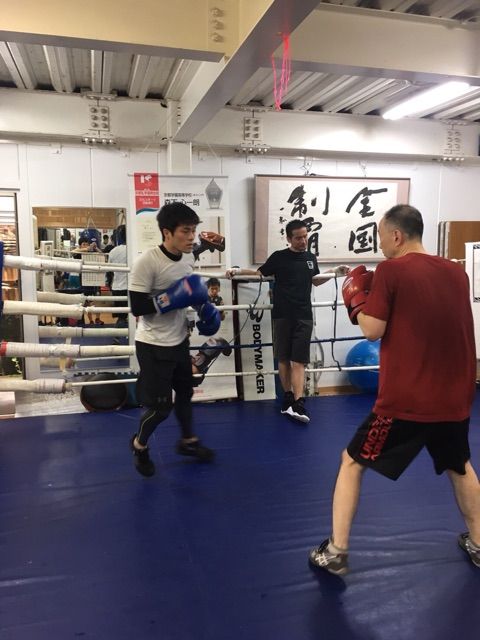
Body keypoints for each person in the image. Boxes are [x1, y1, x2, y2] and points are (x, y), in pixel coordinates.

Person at [308, 204, 479, 576]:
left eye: (382, 236)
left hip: (406, 401)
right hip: (454, 396)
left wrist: (355, 298)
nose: (380, 244)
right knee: (459, 466)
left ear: (397, 235)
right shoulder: (456, 272)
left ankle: (336, 552)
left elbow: (372, 330)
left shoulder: (391, 270)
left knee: (352, 462)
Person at [226, 219, 348, 424]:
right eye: (298, 238)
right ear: (289, 238)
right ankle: (288, 398)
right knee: (283, 358)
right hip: (282, 315)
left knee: (299, 360)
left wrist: (334, 272)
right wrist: (237, 271)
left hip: (304, 315)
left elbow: (315, 280)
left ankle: (299, 402)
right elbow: (259, 274)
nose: (303, 241)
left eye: (305, 236)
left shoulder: (310, 258)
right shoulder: (279, 257)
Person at [128, 202, 219, 477]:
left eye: (193, 231)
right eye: (185, 231)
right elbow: (137, 306)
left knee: (186, 393)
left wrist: (203, 308)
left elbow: (190, 292)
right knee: (161, 407)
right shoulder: (147, 262)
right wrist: (170, 299)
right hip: (153, 344)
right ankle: (139, 445)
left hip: (179, 340)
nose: (192, 237)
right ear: (167, 232)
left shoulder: (188, 258)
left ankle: (188, 441)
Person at [72, 236, 104, 326]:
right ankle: (91, 320)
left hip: (94, 279)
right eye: (84, 244)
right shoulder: (79, 253)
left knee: (96, 301)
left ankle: (97, 319)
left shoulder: (91, 252)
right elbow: (73, 252)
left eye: (87, 244)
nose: (86, 245)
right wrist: (86, 249)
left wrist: (95, 248)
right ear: (80, 245)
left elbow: (102, 255)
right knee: (87, 302)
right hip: (84, 280)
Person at [106, 224, 128, 327]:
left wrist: (109, 285)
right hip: (128, 288)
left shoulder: (113, 252)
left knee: (121, 316)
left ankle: (119, 333)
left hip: (116, 287)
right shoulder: (132, 250)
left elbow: (109, 271)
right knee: (127, 315)